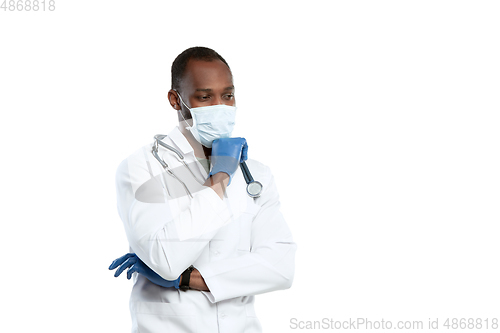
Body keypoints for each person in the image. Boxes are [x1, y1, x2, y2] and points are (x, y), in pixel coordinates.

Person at [109, 46, 296, 333]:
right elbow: (167, 261)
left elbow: (280, 268)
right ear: (175, 100)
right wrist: (219, 178)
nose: (220, 106)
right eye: (205, 97)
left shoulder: (255, 173)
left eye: (228, 96)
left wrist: (188, 280)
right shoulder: (142, 168)